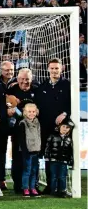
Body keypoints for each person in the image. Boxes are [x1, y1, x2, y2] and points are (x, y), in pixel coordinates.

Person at [36, 58, 70, 195]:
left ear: (62, 69)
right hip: (46, 127)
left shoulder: (67, 85)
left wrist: (65, 113)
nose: (54, 71)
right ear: (48, 69)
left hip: (62, 127)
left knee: (62, 156)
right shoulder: (43, 86)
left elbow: (72, 103)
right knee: (48, 156)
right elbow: (38, 104)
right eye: (52, 68)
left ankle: (62, 187)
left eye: (57, 68)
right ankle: (50, 185)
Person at [44, 119, 74, 198]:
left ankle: (62, 190)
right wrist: (47, 157)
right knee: (53, 176)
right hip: (53, 160)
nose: (65, 128)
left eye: (67, 127)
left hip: (63, 161)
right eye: (63, 126)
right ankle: (54, 190)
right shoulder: (52, 136)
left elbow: (70, 151)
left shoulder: (69, 139)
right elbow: (47, 147)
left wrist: (70, 160)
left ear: (69, 129)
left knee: (62, 176)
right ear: (59, 127)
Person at [19, 103, 42, 198]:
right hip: (27, 151)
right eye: (29, 112)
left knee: (34, 170)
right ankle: (25, 188)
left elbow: (39, 136)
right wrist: (25, 150)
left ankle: (32, 187)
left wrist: (39, 148)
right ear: (25, 112)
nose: (31, 113)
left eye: (33, 111)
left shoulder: (37, 122)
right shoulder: (22, 123)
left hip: (36, 150)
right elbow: (21, 139)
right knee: (27, 170)